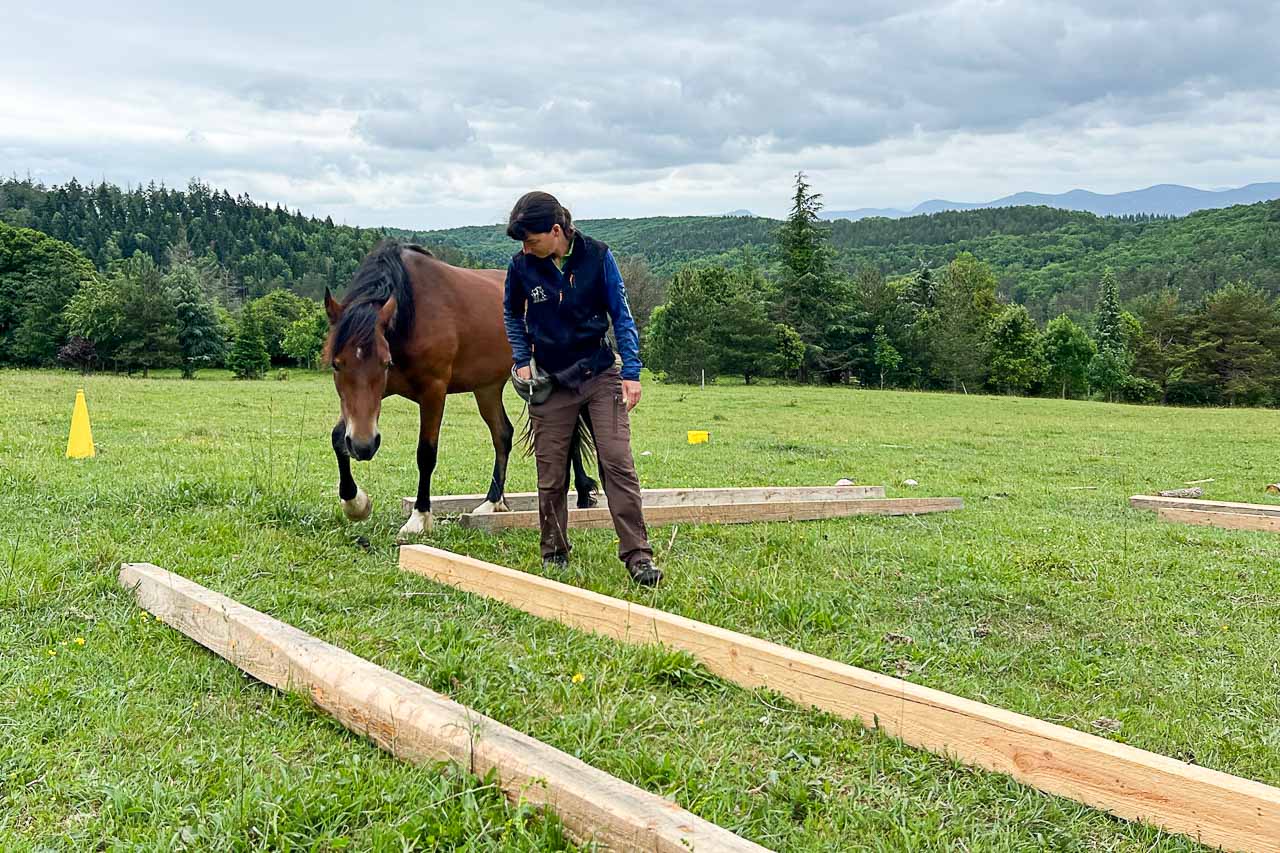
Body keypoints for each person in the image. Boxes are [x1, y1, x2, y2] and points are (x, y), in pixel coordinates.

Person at [502, 191, 661, 586]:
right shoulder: (521, 266)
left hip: (598, 373)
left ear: (556, 231)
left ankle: (638, 556)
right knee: (551, 471)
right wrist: (521, 359)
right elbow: (512, 313)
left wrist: (632, 372)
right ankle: (554, 552)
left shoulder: (598, 256)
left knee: (617, 461)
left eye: (532, 240)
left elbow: (621, 316)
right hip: (550, 380)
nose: (526, 248)